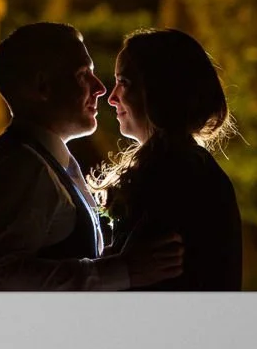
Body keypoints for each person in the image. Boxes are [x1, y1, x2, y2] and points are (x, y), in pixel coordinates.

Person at [0, 23, 181, 291]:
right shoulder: (18, 165)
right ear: (43, 87)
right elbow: (0, 277)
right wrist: (123, 271)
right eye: (82, 74)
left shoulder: (43, 162)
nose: (100, 88)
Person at [100, 29, 245, 292]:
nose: (112, 97)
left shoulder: (176, 177)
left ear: (160, 90)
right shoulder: (184, 168)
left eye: (125, 83)